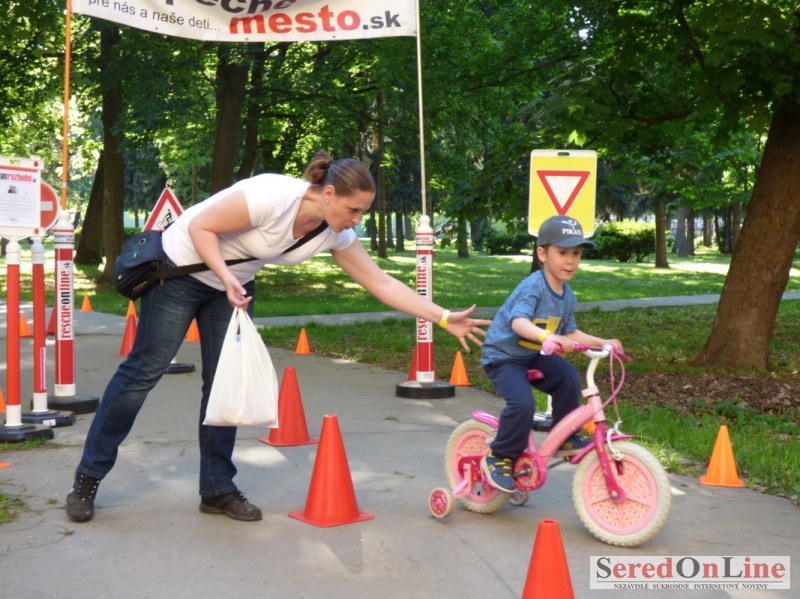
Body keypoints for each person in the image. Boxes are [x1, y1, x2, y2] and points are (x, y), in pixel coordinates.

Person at [66, 150, 491, 523]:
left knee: (224, 383)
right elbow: (202, 228)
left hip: (231, 284)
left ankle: (216, 488)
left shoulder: (334, 232)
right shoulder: (272, 196)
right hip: (181, 272)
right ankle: (88, 478)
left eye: (362, 212)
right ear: (328, 194)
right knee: (143, 372)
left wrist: (443, 317)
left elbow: (381, 283)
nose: (356, 220)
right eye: (354, 210)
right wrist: (225, 277)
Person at [478, 215, 623, 493]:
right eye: (563, 253)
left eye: (576, 254)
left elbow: (570, 333)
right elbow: (518, 323)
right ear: (542, 254)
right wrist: (547, 337)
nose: (571, 261)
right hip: (504, 356)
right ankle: (499, 457)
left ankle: (565, 437)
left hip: (531, 354)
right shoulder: (533, 287)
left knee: (567, 375)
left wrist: (603, 342)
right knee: (522, 404)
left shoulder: (567, 295)